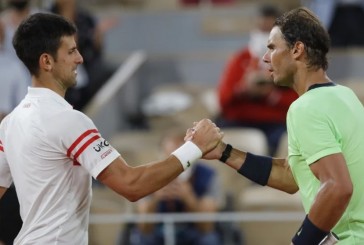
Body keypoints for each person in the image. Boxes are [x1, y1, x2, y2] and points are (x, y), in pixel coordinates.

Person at [0, 12, 223, 244]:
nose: (80, 59)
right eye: (71, 51)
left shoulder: (10, 123)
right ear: (46, 61)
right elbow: (131, 185)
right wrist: (194, 148)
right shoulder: (69, 120)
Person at [195, 7, 364, 244]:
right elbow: (291, 177)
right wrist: (224, 152)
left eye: (272, 47)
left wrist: (301, 242)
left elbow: (337, 186)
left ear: (297, 50)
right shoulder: (346, 96)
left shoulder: (306, 107)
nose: (265, 57)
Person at [216, 4, 297, 155]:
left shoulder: (289, 61)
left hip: (275, 124)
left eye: (269, 31)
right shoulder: (240, 59)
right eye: (261, 29)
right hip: (240, 122)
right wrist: (244, 89)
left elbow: (299, 103)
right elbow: (223, 101)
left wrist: (271, 94)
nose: (263, 35)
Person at [126, 130, 223, 245]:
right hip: (158, 231)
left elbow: (207, 228)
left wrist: (189, 198)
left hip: (192, 231)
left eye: (182, 157)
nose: (176, 166)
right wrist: (156, 198)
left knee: (209, 240)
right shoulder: (148, 176)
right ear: (161, 155)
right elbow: (144, 228)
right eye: (171, 157)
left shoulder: (207, 175)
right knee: (141, 239)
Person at [49, 0, 118, 111]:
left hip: (84, 72)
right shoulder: (47, 19)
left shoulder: (84, 18)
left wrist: (98, 36)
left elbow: (94, 51)